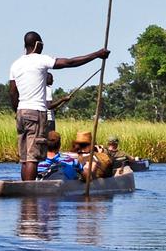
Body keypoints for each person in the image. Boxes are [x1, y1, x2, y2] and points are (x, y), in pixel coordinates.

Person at [8, 31, 109, 181]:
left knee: (25, 158)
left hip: (21, 112)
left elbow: (12, 91)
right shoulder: (40, 60)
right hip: (36, 112)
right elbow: (69, 62)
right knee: (33, 157)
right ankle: (29, 195)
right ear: (38, 44)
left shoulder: (16, 64)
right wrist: (96, 54)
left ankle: (25, 194)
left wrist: (17, 110)